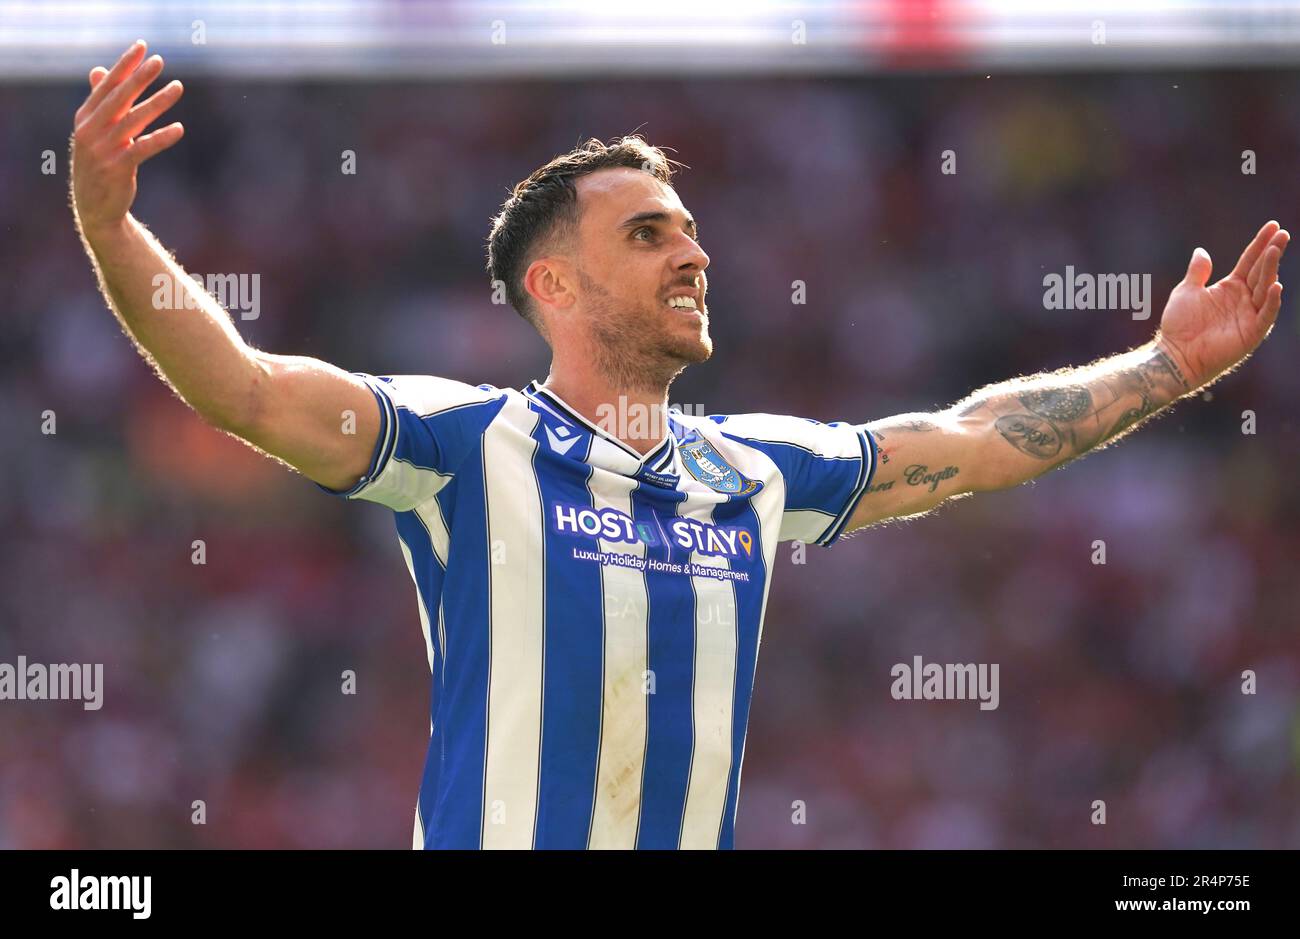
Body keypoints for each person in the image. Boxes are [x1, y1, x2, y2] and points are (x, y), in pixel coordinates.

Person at [71, 41, 1288, 849]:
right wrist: (109, 225)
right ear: (552, 282)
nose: (695, 254)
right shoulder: (464, 442)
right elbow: (244, 389)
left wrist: (1170, 365)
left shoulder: (749, 470)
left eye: (692, 230)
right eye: (650, 234)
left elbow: (973, 441)